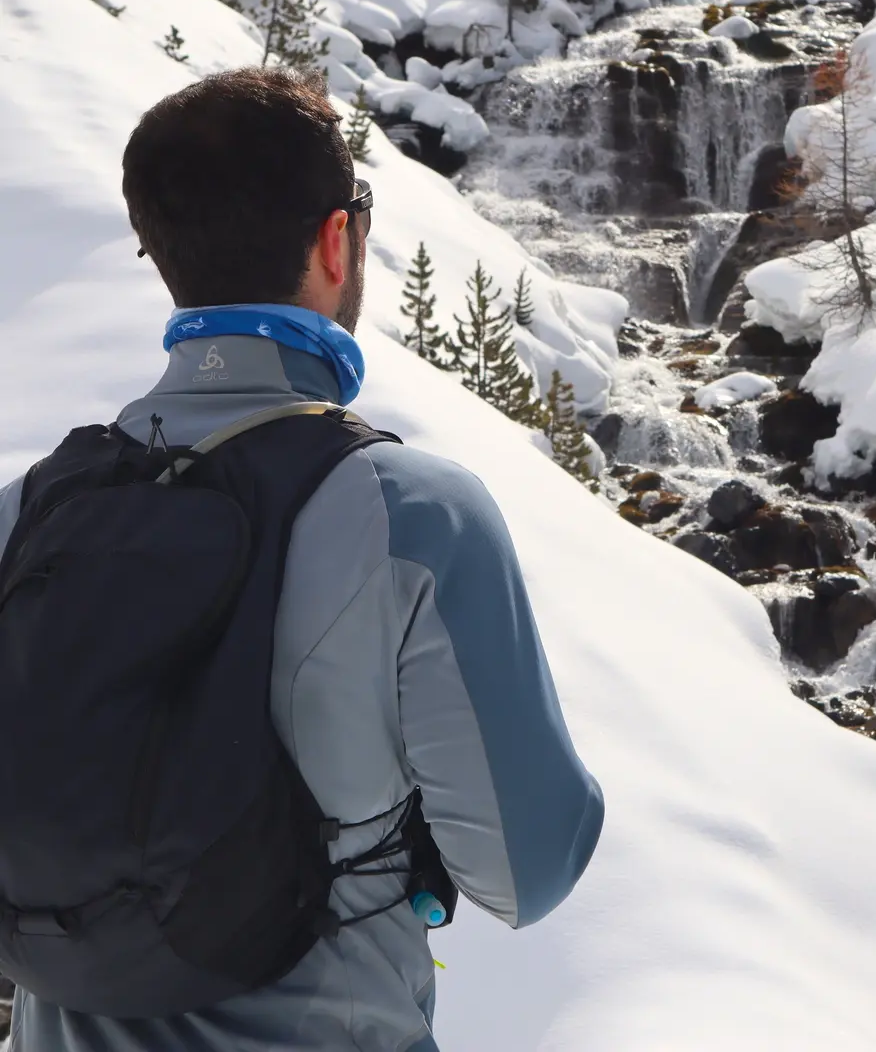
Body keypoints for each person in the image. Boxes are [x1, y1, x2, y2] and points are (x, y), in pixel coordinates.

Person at [0, 66, 604, 1051]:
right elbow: (529, 869)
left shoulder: (27, 511)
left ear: (165, 256)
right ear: (339, 240)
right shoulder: (411, 513)